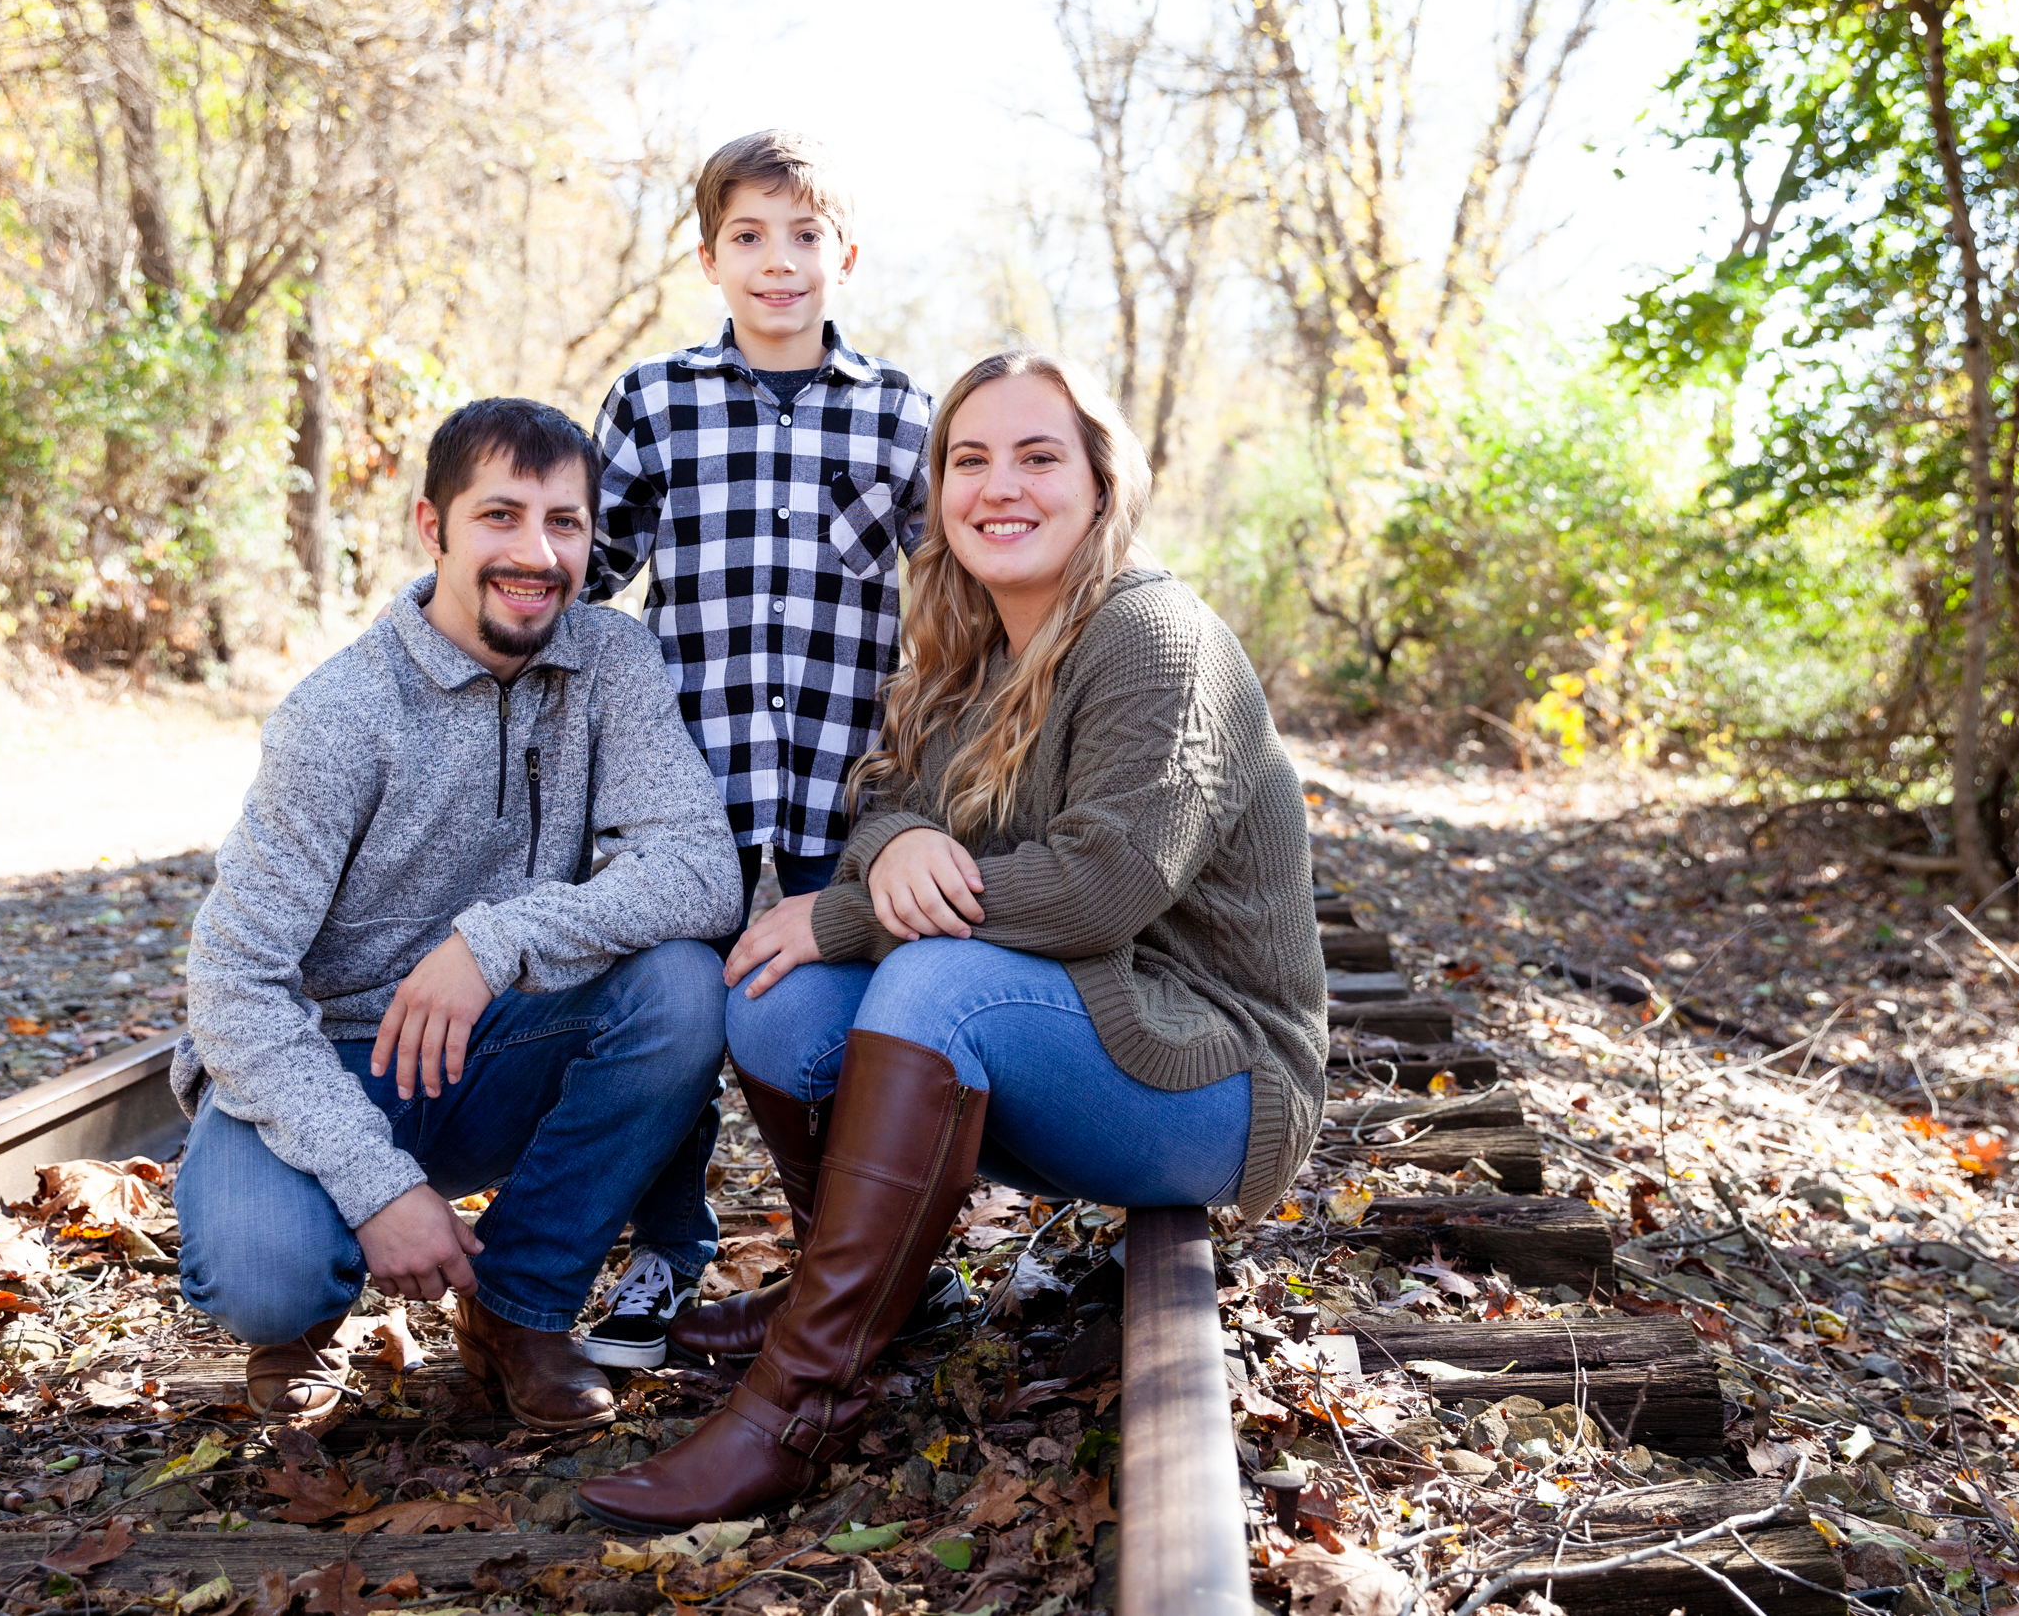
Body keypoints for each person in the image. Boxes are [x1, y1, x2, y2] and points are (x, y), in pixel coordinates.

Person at [577, 351, 1327, 1528]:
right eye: (968, 459)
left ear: (1100, 481)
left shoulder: (1155, 639)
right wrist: (891, 847)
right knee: (773, 993)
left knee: (925, 981)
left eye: (1037, 456)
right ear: (935, 491)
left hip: (1206, 1072)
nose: (998, 486)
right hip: (1077, 1040)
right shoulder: (971, 644)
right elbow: (884, 797)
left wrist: (846, 902)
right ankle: (877, 1289)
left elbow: (1099, 889)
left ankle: (798, 1405)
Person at [174, 398, 742, 1427]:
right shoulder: (340, 716)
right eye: (501, 517)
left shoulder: (609, 664)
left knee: (683, 987)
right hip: (336, 1057)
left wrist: (495, 938)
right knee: (264, 1272)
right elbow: (230, 980)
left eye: (563, 522)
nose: (536, 553)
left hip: (501, 1048)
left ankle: (517, 1308)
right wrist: (377, 1183)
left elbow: (701, 871)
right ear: (432, 526)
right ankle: (306, 1309)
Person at [577, 130, 934, 1367]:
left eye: (801, 236)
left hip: (848, 777)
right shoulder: (654, 402)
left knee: (830, 1017)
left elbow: (957, 591)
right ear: (708, 256)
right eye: (748, 236)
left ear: (844, 254)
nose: (776, 263)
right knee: (671, 1009)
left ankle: (855, 1257)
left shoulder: (899, 415)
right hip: (686, 778)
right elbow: (583, 574)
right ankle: (664, 1253)